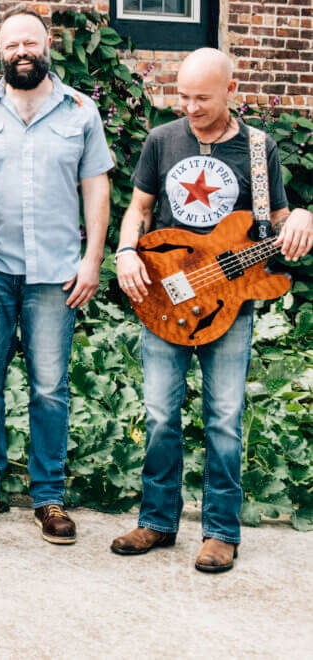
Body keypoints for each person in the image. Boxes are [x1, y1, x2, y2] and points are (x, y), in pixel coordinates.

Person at [112, 48, 313, 573]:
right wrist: (127, 250)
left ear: (230, 89)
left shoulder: (259, 147)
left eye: (202, 97)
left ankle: (221, 530)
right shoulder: (163, 139)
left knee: (224, 417)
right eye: (183, 96)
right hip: (165, 295)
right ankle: (157, 521)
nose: (191, 107)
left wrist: (302, 220)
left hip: (229, 303)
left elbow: (280, 222)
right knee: (159, 415)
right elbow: (138, 209)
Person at [0, 5, 113, 545]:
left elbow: (97, 188)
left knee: (49, 390)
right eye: (13, 44)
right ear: (1, 50)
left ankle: (49, 497)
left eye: (31, 43)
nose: (22, 51)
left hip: (56, 273)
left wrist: (93, 261)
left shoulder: (81, 112)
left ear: (48, 48)